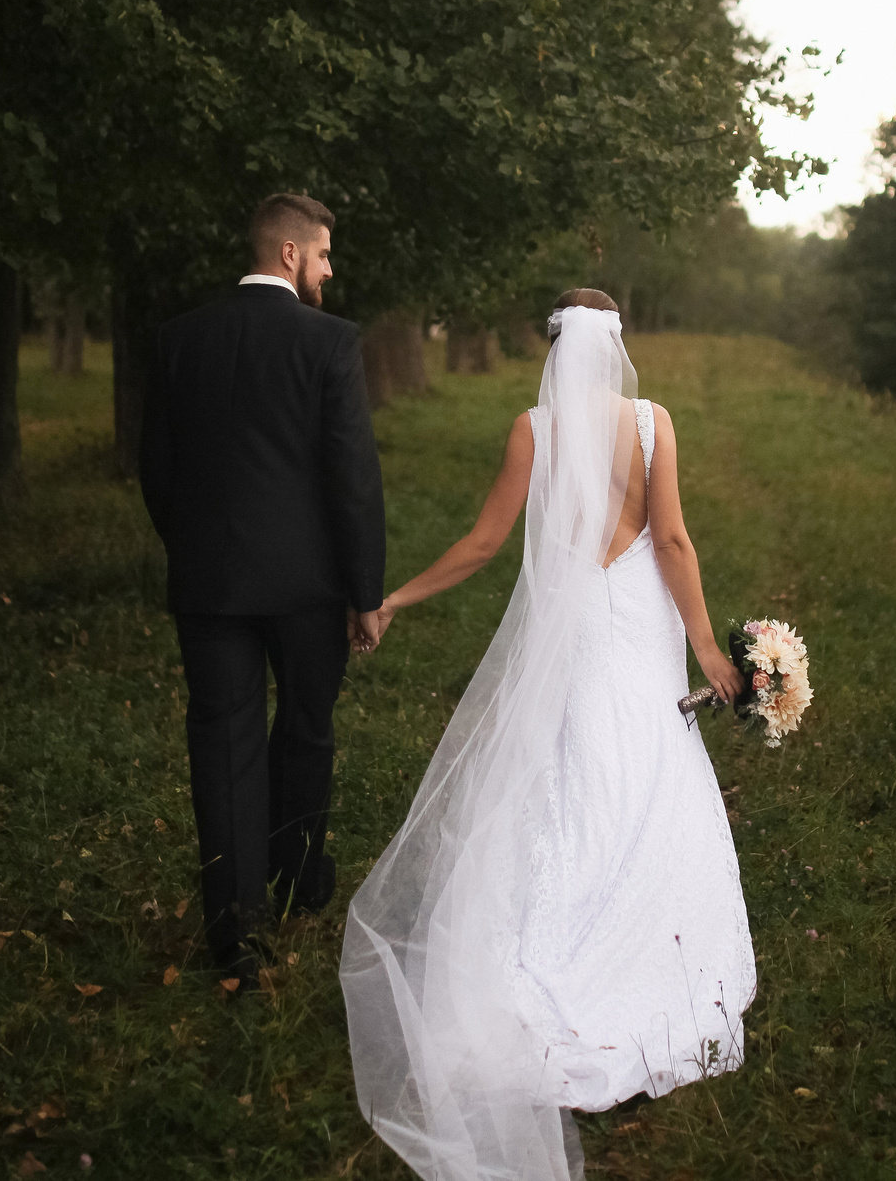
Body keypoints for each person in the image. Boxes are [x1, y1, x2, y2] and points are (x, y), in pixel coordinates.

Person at [341, 290, 753, 1181]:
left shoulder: (532, 428)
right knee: (642, 765)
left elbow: (485, 542)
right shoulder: (653, 423)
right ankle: (650, 953)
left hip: (578, 626)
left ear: (556, 347)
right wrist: (708, 648)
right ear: (617, 348)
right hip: (639, 623)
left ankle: (554, 951)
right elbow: (673, 539)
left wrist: (394, 598)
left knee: (574, 771)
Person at [139, 192, 385, 988]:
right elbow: (351, 476)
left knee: (223, 737)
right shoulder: (331, 343)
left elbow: (158, 468)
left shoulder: (181, 339)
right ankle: (301, 879)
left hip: (209, 581)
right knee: (306, 727)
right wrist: (364, 587)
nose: (329, 268)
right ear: (288, 255)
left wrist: (195, 547)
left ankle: (233, 924)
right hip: (309, 587)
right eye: (321, 254)